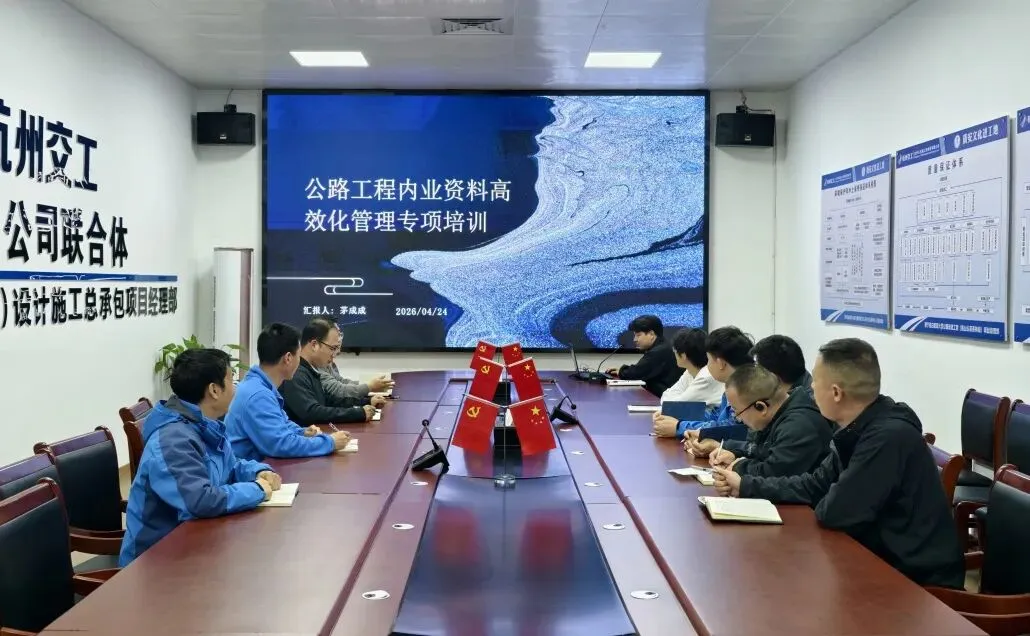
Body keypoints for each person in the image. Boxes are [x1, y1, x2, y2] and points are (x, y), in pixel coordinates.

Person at [712, 338, 965, 589]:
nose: (810, 389)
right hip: (875, 559)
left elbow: (834, 513)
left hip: (913, 581)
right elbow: (814, 485)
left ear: (835, 393)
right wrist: (745, 485)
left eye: (815, 382)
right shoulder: (855, 429)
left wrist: (826, 495)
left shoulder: (887, 437)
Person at [119, 348, 281, 566]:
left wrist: (257, 471)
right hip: (154, 562)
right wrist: (257, 490)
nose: (236, 387)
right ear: (214, 390)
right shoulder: (173, 440)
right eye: (231, 379)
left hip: (194, 543)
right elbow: (200, 501)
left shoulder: (205, 424)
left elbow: (231, 466)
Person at [225, 322, 352, 461]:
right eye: (299, 355)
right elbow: (281, 444)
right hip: (248, 470)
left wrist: (302, 432)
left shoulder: (260, 385)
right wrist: (330, 442)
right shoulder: (258, 395)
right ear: (288, 358)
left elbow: (281, 424)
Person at [697, 363, 830, 477]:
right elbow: (760, 450)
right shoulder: (779, 414)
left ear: (761, 407)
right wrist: (733, 454)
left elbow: (774, 471)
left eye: (737, 412)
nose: (738, 418)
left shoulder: (799, 426)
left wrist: (738, 467)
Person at [280, 318, 385, 426]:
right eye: (332, 348)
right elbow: (312, 412)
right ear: (314, 345)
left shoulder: (310, 368)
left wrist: (366, 402)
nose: (334, 354)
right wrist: (358, 413)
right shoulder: (295, 372)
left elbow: (329, 400)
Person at [651, 326, 753, 438]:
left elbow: (727, 428)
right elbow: (716, 415)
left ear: (721, 363)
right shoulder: (732, 385)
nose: (706, 365)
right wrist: (673, 413)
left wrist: (679, 427)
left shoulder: (744, 391)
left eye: (709, 360)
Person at [604, 315, 683, 397]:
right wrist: (621, 371)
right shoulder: (663, 346)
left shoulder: (658, 351)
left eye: (638, 335)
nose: (635, 339)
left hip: (665, 399)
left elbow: (636, 373)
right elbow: (641, 369)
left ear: (651, 334)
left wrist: (621, 372)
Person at [659, 327, 724, 406]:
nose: (674, 355)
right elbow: (667, 395)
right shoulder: (690, 371)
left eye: (674, 351)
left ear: (683, 355)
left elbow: (675, 406)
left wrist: (671, 400)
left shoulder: (705, 378)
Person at [318, 358, 394, 401]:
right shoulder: (318, 367)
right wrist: (370, 386)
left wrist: (371, 384)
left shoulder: (326, 363)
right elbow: (339, 390)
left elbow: (342, 381)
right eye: (333, 348)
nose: (337, 352)